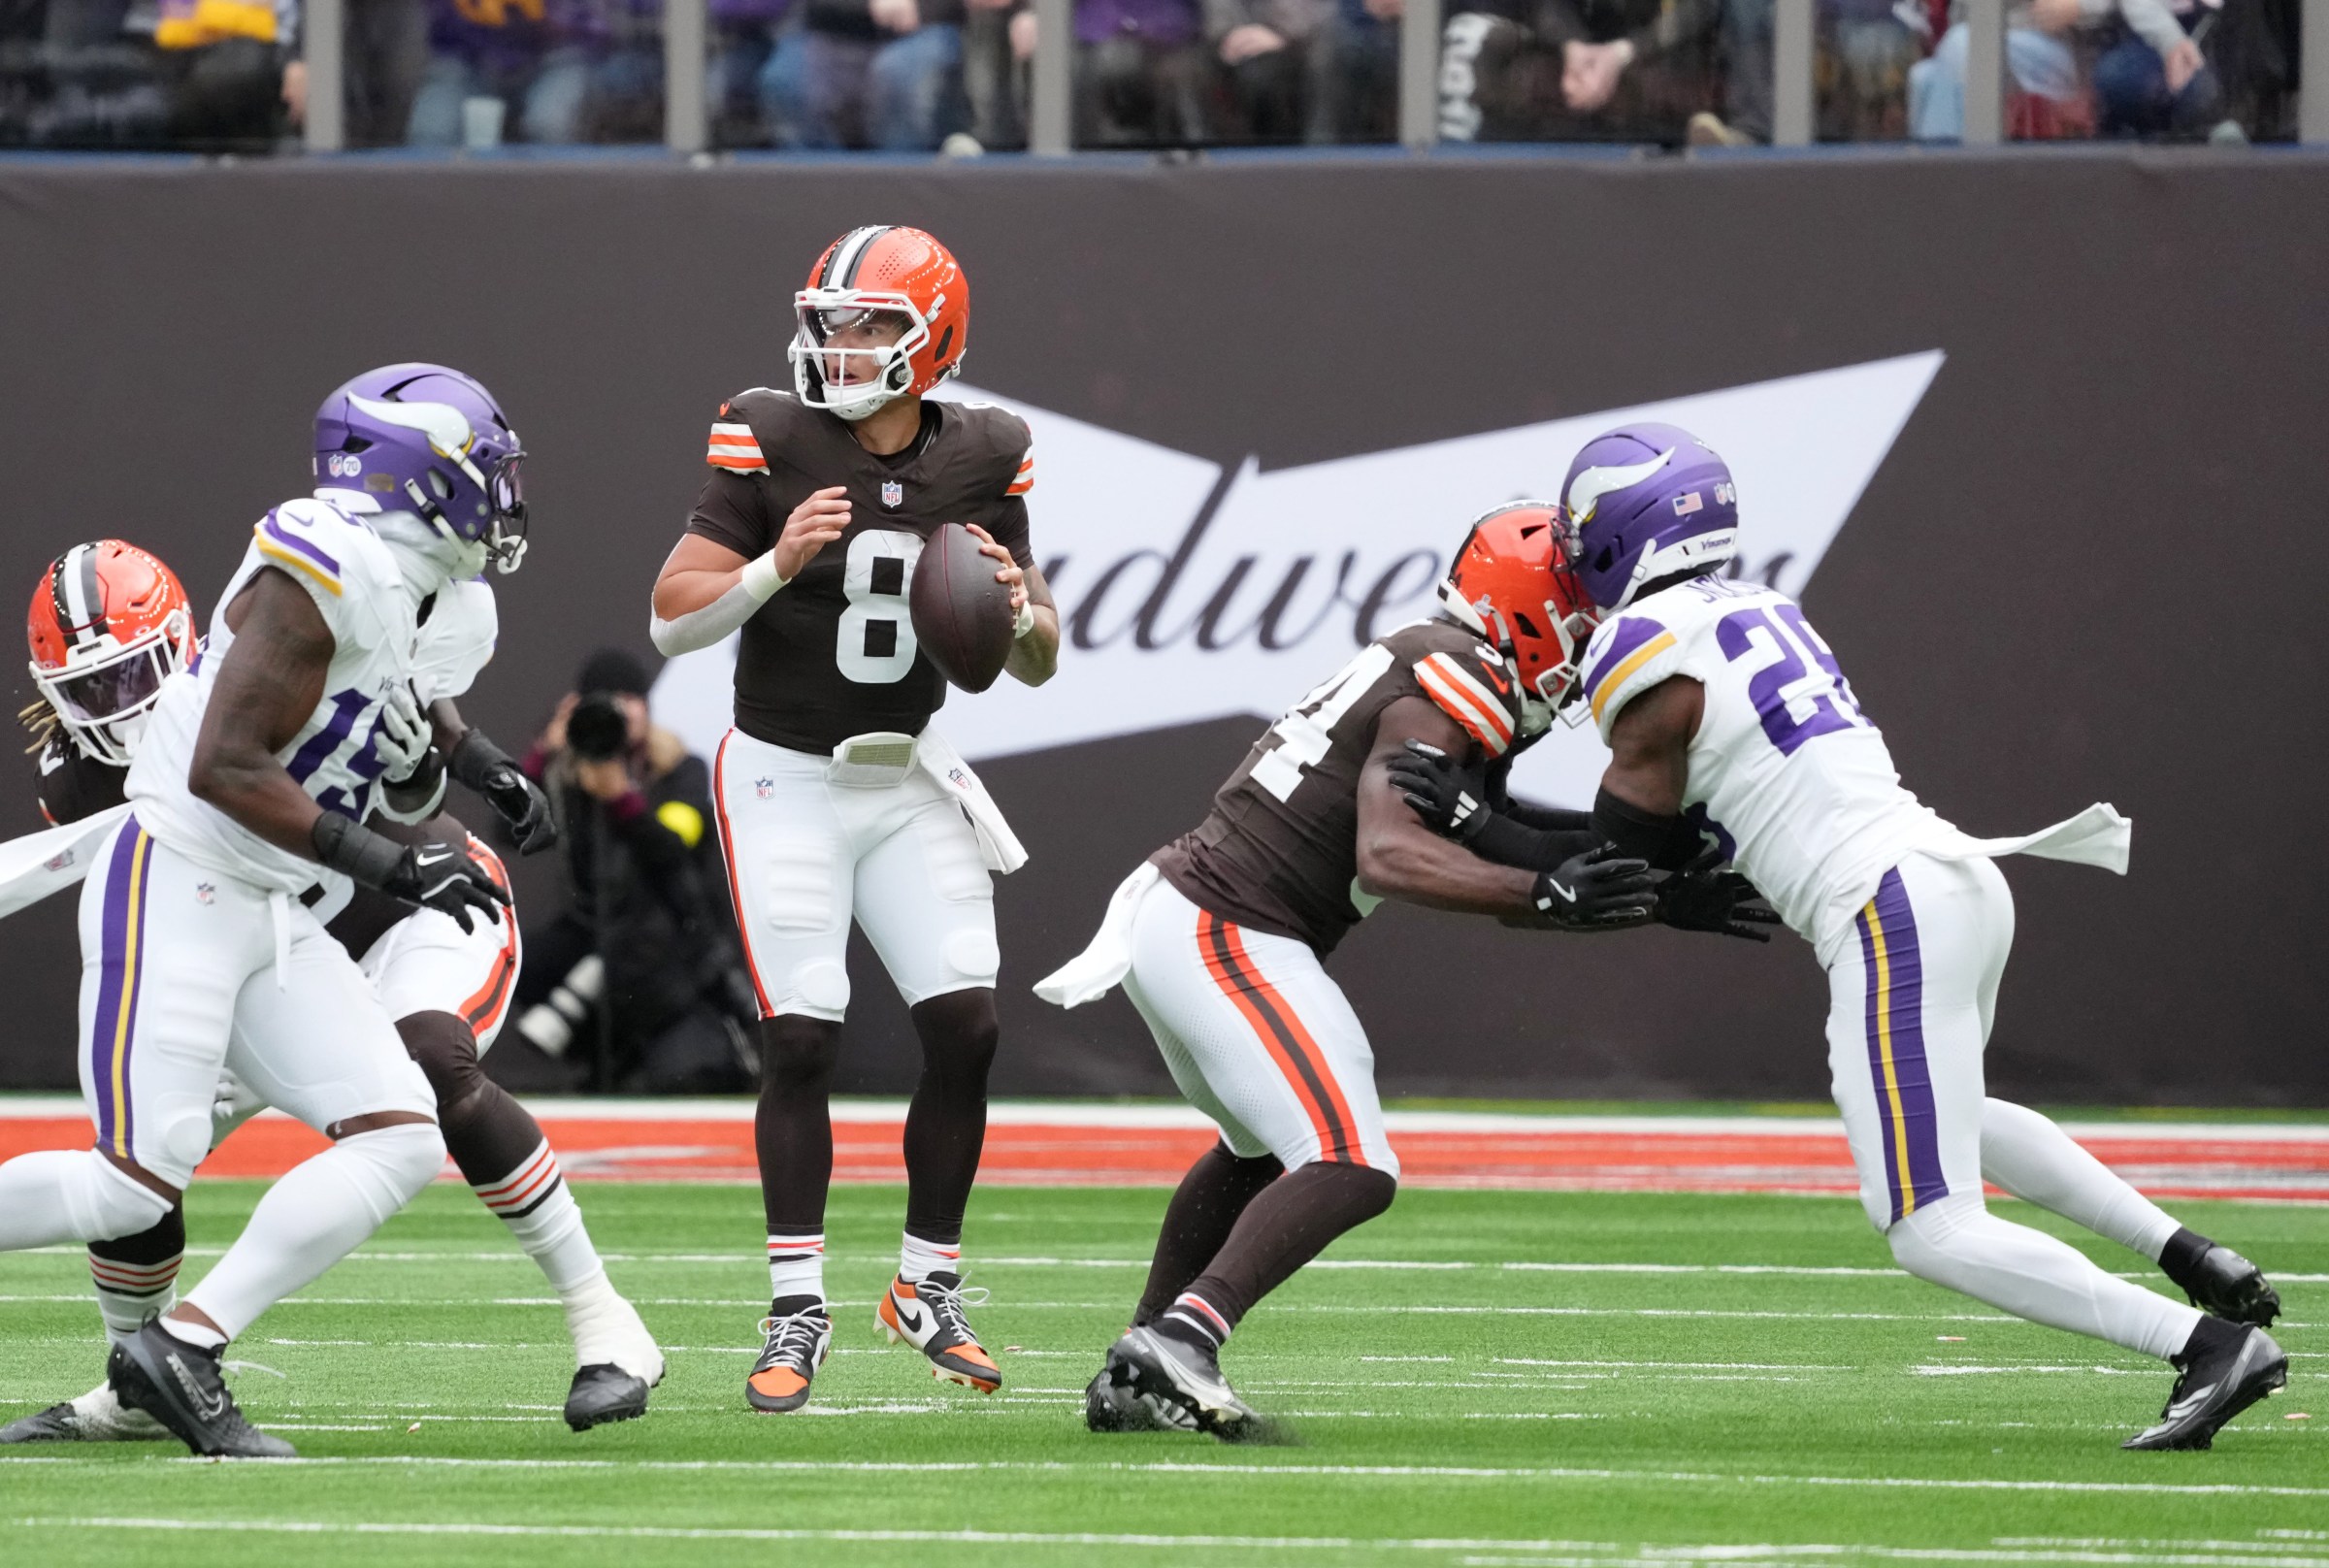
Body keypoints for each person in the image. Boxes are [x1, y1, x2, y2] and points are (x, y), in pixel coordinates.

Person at [1391, 424, 2288, 1453]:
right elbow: (1669, 839)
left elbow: (1628, 847)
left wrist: (1473, 821)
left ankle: (2203, 1342)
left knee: (1929, 1225)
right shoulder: (1761, 604)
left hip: (1887, 903)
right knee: (1955, 1113)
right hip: (1954, 875)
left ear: (1615, 539)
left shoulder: (1640, 646)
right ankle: (2188, 1252)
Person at [0, 367, 640, 1458]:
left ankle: (184, 1350)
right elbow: (226, 763)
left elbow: (395, 708)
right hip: (189, 879)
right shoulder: (328, 559)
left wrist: (479, 766)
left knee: (397, 1135)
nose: (500, 493)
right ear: (414, 481)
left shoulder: (404, 582)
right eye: (479, 473)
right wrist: (398, 863)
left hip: (272, 904)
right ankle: (152, 1358)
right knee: (129, 1182)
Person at [1035, 505, 1735, 1441]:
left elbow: (1502, 839)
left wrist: (1644, 886)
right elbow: (1392, 857)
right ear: (1529, 612)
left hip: (1191, 918)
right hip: (1227, 927)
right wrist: (1549, 891)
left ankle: (1142, 1359)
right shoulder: (1456, 680)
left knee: (1254, 1153)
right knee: (1351, 1162)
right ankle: (1181, 1344)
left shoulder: (1443, 662)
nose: (1591, 636)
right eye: (1578, 615)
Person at [648, 225, 1059, 1414]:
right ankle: (795, 1304)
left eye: (872, 321)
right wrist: (776, 562)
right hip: (783, 773)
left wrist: (1023, 604)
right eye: (832, 319)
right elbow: (673, 616)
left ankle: (926, 1282)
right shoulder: (769, 429)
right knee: (804, 1035)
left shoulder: (990, 450)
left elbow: (1032, 662)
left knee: (970, 1023)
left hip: (907, 770)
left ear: (934, 339)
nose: (843, 342)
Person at [505, 647, 757, 1094]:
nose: (620, 710)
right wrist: (545, 753)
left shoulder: (682, 768)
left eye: (629, 698)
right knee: (519, 964)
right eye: (604, 700)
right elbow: (508, 828)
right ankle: (601, 1057)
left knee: (683, 1077)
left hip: (668, 937)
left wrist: (622, 799)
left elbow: (674, 849)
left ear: (647, 705)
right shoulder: (568, 773)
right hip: (592, 926)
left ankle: (645, 1056)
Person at [758, 0, 968, 149]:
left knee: (898, 72)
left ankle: (901, 188)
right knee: (784, 78)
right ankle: (817, 193)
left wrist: (921, 6)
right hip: (830, 30)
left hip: (924, 29)